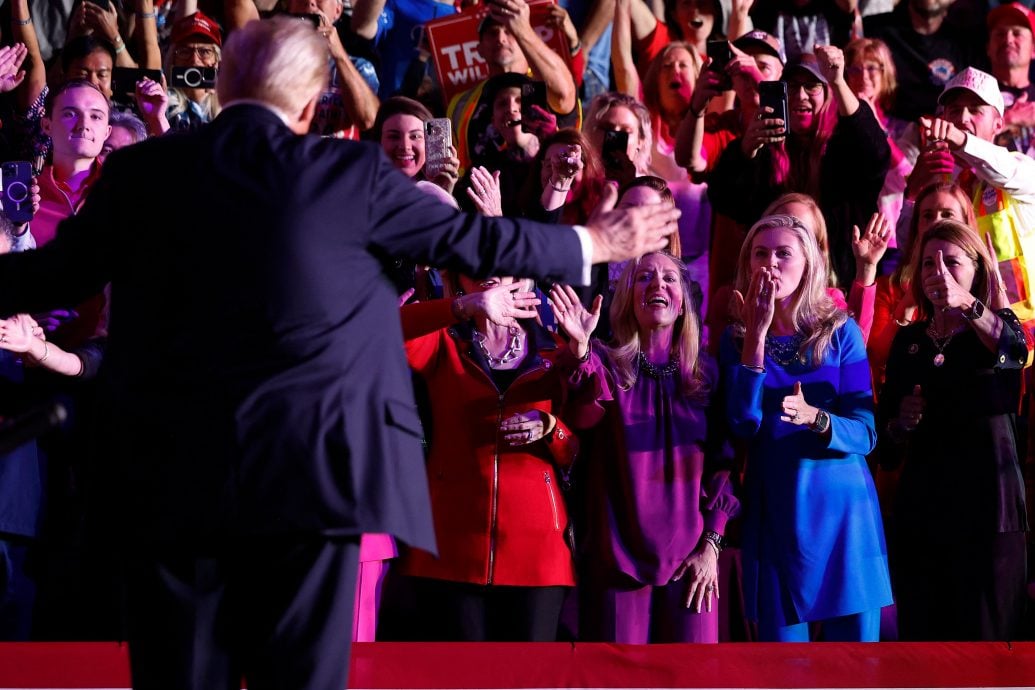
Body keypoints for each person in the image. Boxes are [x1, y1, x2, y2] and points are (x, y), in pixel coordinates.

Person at [0, 16, 678, 690]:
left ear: (225, 82)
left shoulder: (143, 170)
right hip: (313, 486)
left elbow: (51, 275)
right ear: (307, 101)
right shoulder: (348, 173)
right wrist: (596, 242)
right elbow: (473, 242)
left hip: (169, 487)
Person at [719, 213, 892, 641]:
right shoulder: (735, 338)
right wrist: (755, 338)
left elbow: (866, 434)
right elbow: (742, 423)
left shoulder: (841, 332)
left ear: (809, 264)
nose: (770, 263)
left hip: (843, 521)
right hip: (776, 517)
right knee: (785, 671)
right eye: (760, 254)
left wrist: (817, 418)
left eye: (783, 253)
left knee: (854, 670)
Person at [554, 252, 739, 643]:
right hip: (617, 563)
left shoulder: (705, 374)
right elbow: (584, 414)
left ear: (684, 300)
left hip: (693, 562)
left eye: (670, 278)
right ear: (626, 299)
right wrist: (582, 351)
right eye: (644, 278)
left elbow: (723, 465)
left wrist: (712, 544)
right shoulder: (603, 362)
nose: (658, 285)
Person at [398, 276, 580, 641]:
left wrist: (551, 427)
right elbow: (384, 333)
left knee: (529, 681)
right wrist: (462, 307)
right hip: (449, 550)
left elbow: (579, 448)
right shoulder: (444, 342)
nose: (492, 267)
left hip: (538, 556)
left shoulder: (558, 349)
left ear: (525, 277)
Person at [878, 219, 1029, 640]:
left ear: (977, 270)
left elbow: (1015, 353)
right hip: (925, 510)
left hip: (989, 512)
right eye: (927, 263)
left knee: (986, 641)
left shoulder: (996, 327)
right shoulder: (908, 342)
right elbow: (886, 445)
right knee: (925, 641)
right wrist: (900, 422)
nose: (938, 272)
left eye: (952, 262)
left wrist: (968, 304)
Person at [708, 48, 890, 286]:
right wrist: (745, 151)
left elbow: (875, 156)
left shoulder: (844, 143)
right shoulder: (764, 146)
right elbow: (725, 200)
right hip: (776, 280)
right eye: (792, 87)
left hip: (839, 278)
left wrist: (838, 81)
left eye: (812, 86)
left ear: (827, 94)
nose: (801, 95)